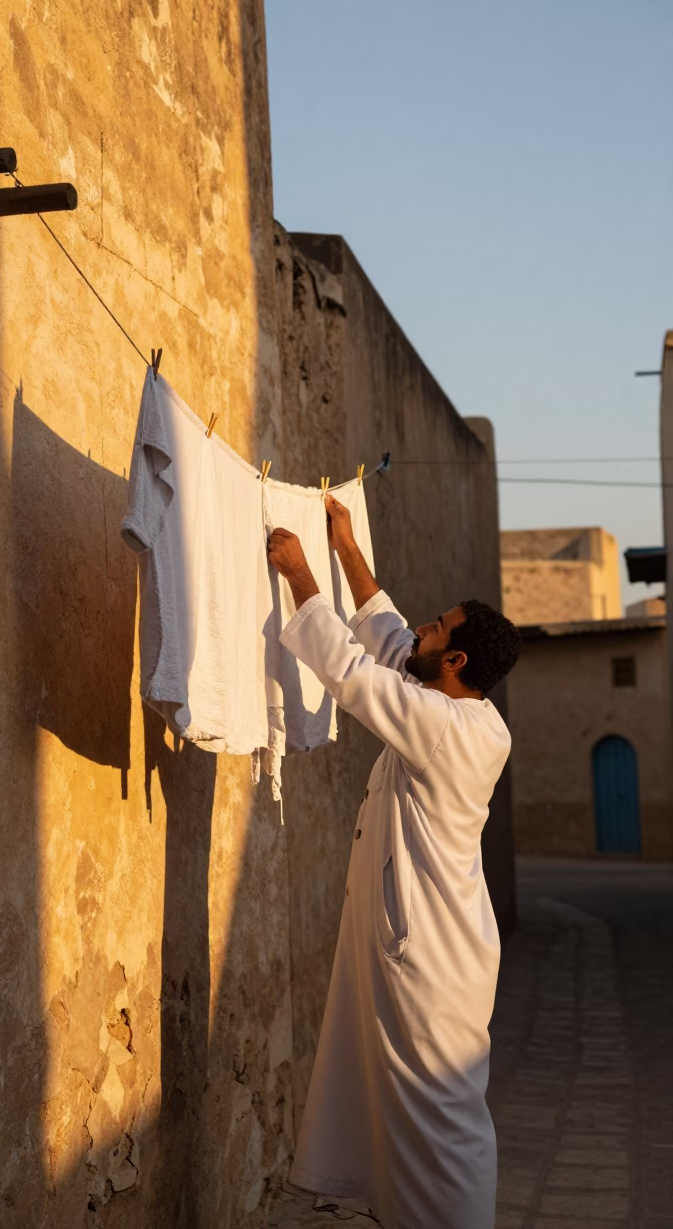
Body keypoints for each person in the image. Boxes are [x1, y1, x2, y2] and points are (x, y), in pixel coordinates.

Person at [267, 492, 521, 1229]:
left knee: (441, 1129)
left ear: (457, 660)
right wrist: (348, 548)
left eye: (437, 629)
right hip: (421, 950)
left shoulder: (452, 728)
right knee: (403, 1119)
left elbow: (356, 676)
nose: (423, 631)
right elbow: (388, 641)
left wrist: (301, 575)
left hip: (431, 964)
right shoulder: (447, 698)